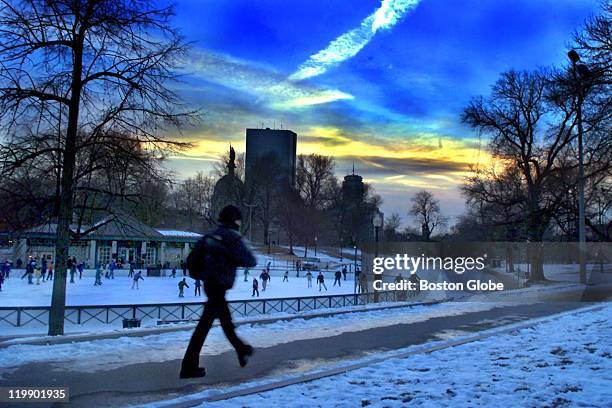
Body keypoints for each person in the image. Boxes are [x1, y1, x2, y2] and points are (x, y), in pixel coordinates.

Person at [181, 205, 257, 379]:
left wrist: (205, 272)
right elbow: (250, 260)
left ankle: (241, 349)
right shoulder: (231, 237)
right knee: (206, 326)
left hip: (210, 284)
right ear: (234, 220)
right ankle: (188, 366)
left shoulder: (209, 236)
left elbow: (192, 262)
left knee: (222, 321)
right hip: (219, 285)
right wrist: (228, 255)